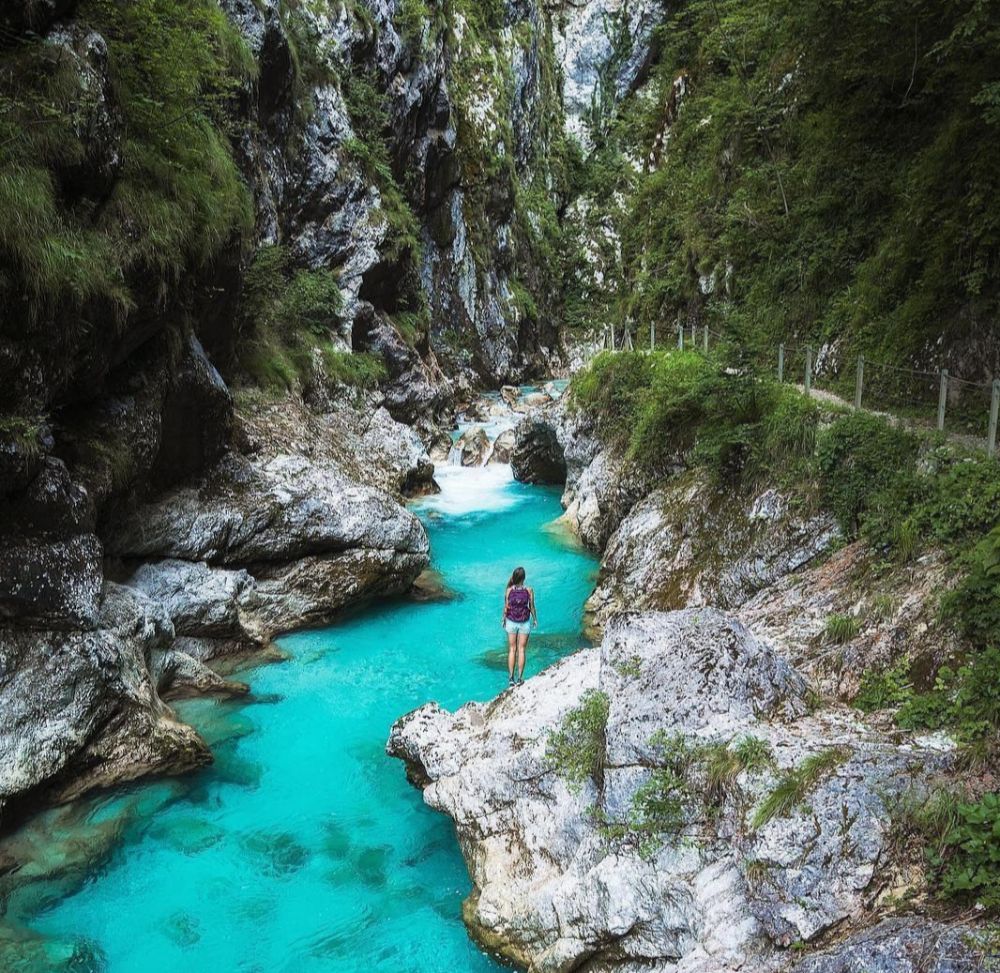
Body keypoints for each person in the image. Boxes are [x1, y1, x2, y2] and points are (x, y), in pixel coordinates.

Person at [501, 566, 537, 687]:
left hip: (511, 622)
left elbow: (506, 607)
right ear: (524, 578)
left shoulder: (509, 590)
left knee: (512, 649)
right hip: (524, 622)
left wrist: (503, 619)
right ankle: (520, 678)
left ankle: (511, 678)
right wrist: (535, 619)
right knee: (521, 650)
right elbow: (531, 607)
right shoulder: (529, 590)